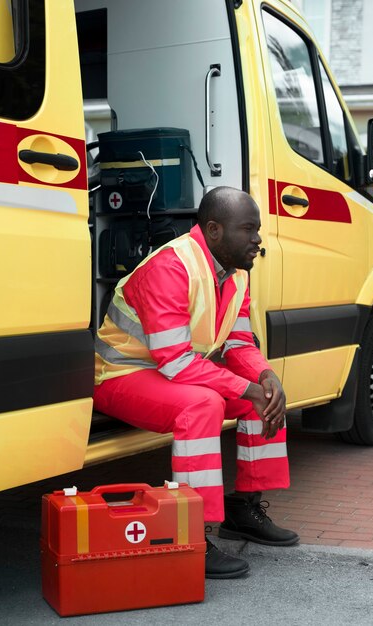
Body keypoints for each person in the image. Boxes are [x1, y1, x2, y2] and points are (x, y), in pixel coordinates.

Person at [94, 186, 299, 579]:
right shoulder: (172, 267)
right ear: (214, 230)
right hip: (120, 375)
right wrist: (246, 387)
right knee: (203, 405)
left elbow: (239, 343)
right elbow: (176, 361)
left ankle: (244, 509)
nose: (258, 240)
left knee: (265, 397)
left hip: (171, 373)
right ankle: (191, 537)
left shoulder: (236, 275)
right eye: (249, 229)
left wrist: (265, 378)